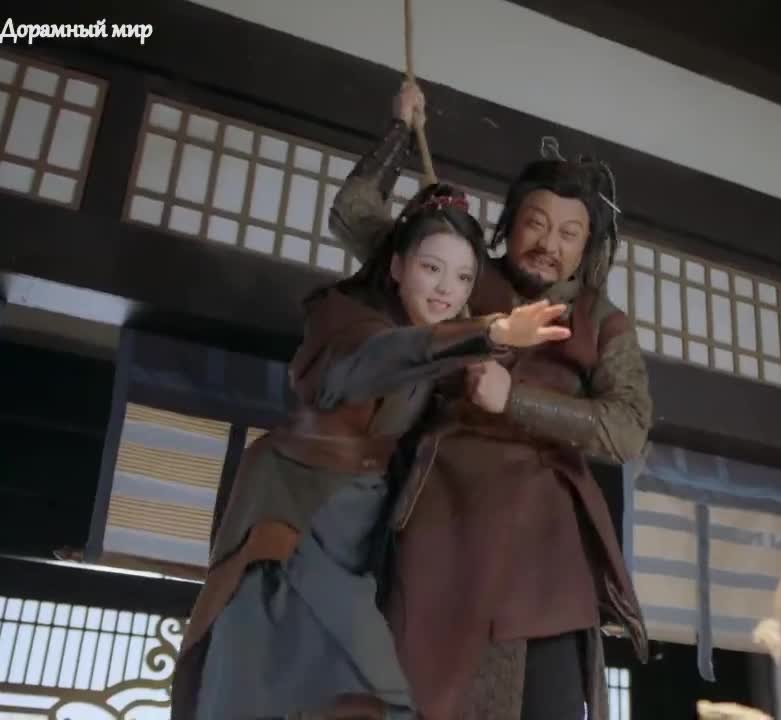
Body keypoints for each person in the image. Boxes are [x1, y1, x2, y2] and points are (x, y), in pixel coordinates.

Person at [169, 177, 573, 720]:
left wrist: (501, 383)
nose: (446, 290)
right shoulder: (344, 319)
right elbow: (376, 360)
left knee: (353, 692)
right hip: (294, 510)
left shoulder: (442, 342)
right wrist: (492, 330)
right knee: (261, 671)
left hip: (360, 523)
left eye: (463, 277)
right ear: (397, 266)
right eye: (431, 268)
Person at [329, 81, 653, 719]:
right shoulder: (462, 272)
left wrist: (517, 400)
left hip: (546, 539)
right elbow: (353, 212)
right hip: (442, 514)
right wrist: (399, 132)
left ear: (586, 247)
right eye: (536, 223)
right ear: (510, 224)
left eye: (569, 233)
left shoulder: (601, 320)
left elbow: (629, 428)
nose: (549, 243)